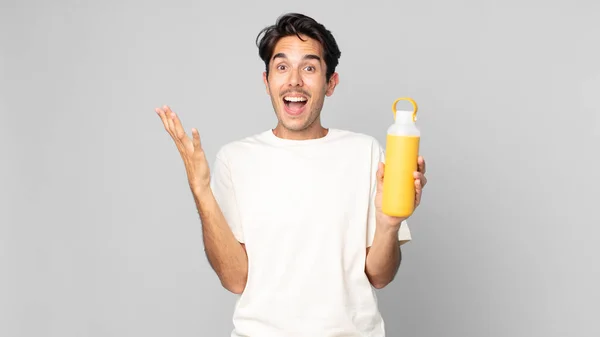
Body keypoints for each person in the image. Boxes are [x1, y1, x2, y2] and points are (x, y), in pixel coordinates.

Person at [155, 12, 428, 337]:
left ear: (331, 83)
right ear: (267, 81)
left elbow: (380, 276)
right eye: (282, 67)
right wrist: (201, 190)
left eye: (309, 68)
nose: (294, 80)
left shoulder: (365, 153)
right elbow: (234, 279)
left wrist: (388, 223)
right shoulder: (235, 159)